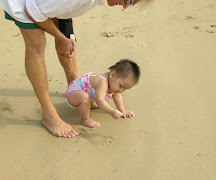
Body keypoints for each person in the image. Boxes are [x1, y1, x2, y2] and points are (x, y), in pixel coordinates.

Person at [0, 0, 153, 138]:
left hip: (43, 4)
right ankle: (49, 115)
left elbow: (64, 11)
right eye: (127, 0)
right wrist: (61, 38)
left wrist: (68, 36)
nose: (125, 7)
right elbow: (30, 10)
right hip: (24, 3)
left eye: (130, 4)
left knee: (67, 40)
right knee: (37, 44)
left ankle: (74, 86)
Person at [66, 59, 140, 128]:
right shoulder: (102, 82)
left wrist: (123, 111)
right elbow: (100, 100)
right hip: (73, 93)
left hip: (83, 93)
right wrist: (112, 111)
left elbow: (117, 97)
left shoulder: (113, 83)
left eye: (125, 89)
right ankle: (85, 119)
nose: (121, 90)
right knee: (85, 97)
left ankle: (89, 104)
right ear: (112, 74)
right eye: (121, 86)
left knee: (87, 97)